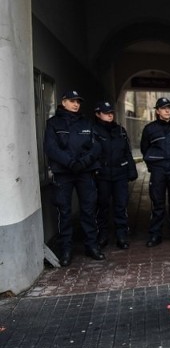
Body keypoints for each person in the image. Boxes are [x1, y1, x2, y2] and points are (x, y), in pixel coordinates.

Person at [43, 90, 105, 266]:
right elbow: (51, 148)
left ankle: (91, 246)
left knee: (88, 209)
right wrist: (70, 163)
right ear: (63, 102)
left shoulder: (86, 123)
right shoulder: (53, 123)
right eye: (72, 101)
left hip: (85, 172)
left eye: (78, 101)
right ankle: (66, 250)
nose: (76, 104)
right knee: (64, 211)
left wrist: (84, 162)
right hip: (64, 174)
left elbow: (96, 147)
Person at [140, 97, 170, 247]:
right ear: (157, 111)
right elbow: (145, 148)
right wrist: (154, 165)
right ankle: (155, 235)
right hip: (158, 171)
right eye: (163, 108)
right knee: (157, 203)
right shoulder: (150, 129)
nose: (167, 110)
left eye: (169, 107)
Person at [93, 101, 138, 250]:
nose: (110, 115)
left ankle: (121, 235)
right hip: (102, 175)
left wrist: (131, 170)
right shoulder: (93, 131)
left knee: (121, 205)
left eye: (111, 112)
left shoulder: (120, 131)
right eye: (106, 113)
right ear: (98, 114)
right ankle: (102, 234)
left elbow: (127, 152)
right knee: (102, 206)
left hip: (120, 174)